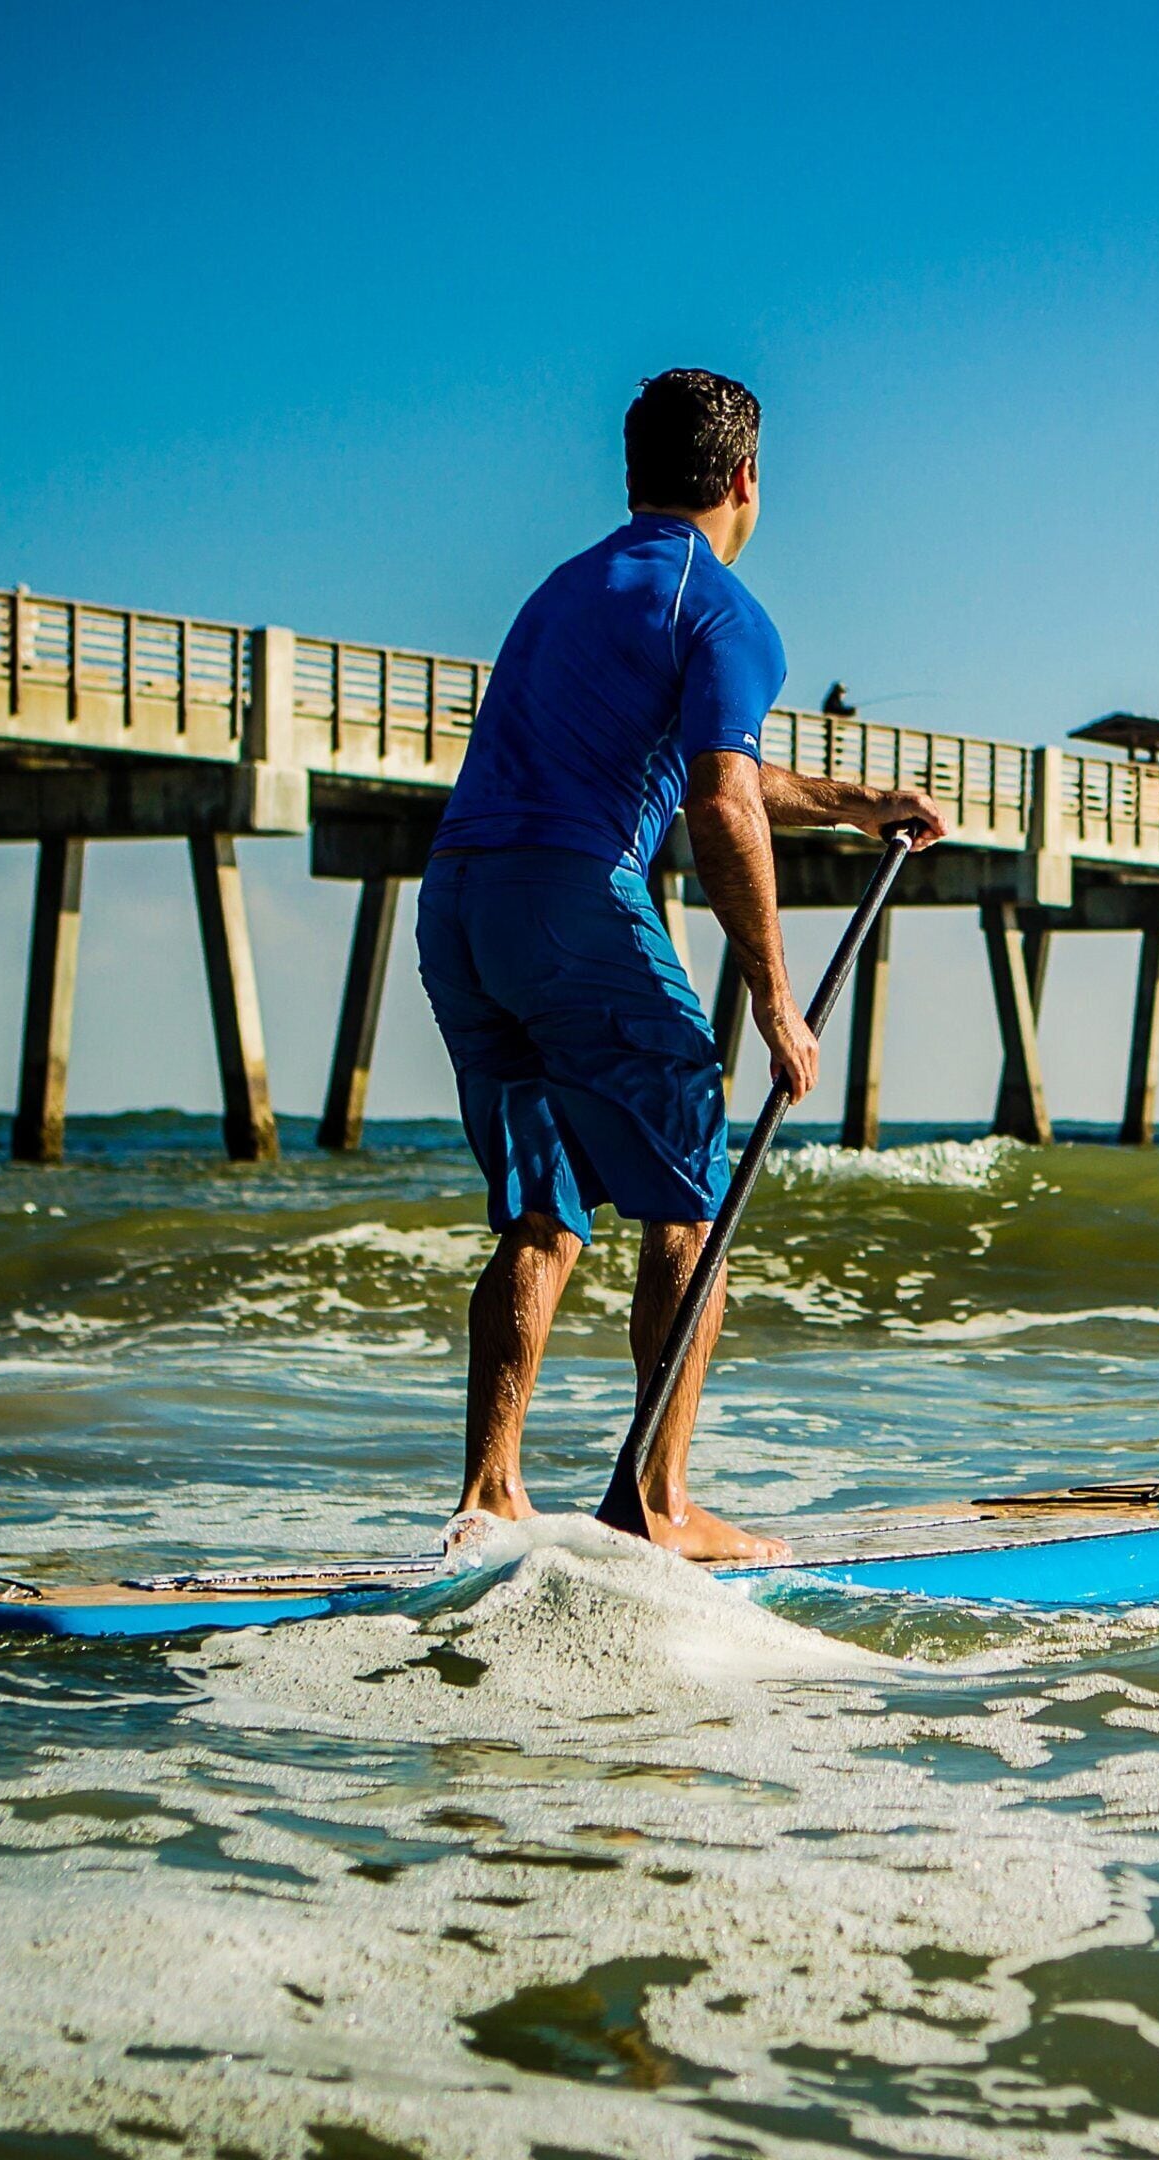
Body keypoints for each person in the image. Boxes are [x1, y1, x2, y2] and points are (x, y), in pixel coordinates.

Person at [417, 369, 947, 1563]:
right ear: (747, 477)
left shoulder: (565, 589)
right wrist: (775, 996)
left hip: (457, 902)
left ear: (633, 475)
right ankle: (658, 1505)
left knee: (543, 1212)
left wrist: (857, 802)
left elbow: (717, 768)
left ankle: (489, 1499)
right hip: (573, 900)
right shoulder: (724, 609)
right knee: (688, 1205)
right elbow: (718, 802)